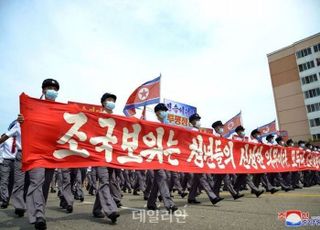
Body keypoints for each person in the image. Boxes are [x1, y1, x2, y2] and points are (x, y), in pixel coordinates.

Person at [92, 92, 120, 223]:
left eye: (113, 100)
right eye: (109, 100)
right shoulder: (96, 117)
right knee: (104, 181)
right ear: (103, 103)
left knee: (108, 180)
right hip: (99, 155)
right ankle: (110, 210)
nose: (111, 102)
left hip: (112, 157)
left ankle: (97, 209)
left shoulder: (118, 120)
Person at [187, 114, 224, 205]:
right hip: (195, 158)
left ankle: (191, 197)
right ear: (192, 122)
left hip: (200, 158)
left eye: (199, 119)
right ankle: (213, 197)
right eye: (197, 120)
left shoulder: (199, 132)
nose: (199, 121)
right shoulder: (192, 131)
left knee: (197, 179)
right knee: (202, 177)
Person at [147, 103, 177, 213]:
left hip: (165, 156)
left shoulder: (170, 125)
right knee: (162, 176)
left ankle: (151, 202)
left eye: (162, 111)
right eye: (158, 112)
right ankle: (169, 204)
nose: (161, 114)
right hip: (156, 156)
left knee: (158, 180)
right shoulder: (154, 126)